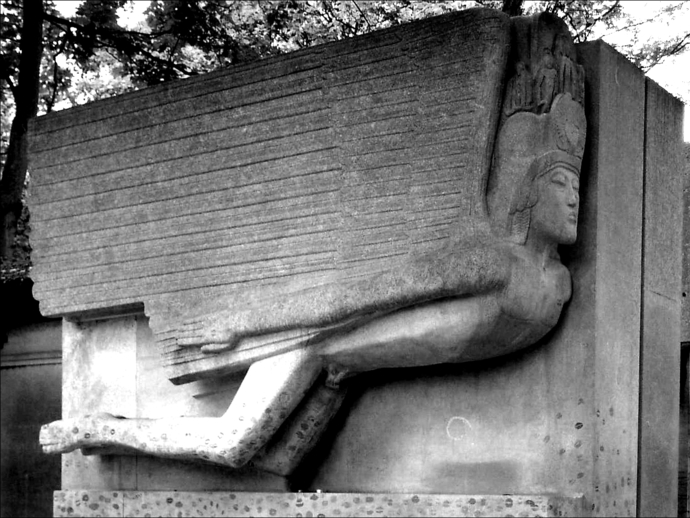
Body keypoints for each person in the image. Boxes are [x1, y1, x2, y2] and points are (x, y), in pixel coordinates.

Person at [40, 91, 586, 475]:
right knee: (232, 445)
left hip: (340, 370)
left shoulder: (556, 286)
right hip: (309, 342)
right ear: (526, 191)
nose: (573, 198)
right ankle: (97, 429)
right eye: (560, 182)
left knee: (276, 462)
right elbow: (362, 296)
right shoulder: (491, 263)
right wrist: (241, 325)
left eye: (577, 185)